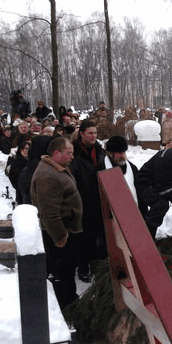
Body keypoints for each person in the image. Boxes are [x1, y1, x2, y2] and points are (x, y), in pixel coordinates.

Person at [30, 136, 83, 310]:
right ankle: (66, 307)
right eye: (69, 153)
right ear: (56, 153)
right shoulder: (48, 176)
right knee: (62, 273)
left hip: (66, 232)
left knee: (67, 271)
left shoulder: (56, 168)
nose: (72, 157)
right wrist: (60, 237)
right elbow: (49, 211)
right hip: (59, 236)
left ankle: (70, 300)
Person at [72, 119, 107, 282]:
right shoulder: (74, 152)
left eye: (95, 133)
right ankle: (83, 266)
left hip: (98, 197)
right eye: (90, 133)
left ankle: (96, 264)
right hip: (81, 197)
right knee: (83, 236)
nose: (94, 136)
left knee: (98, 234)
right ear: (81, 134)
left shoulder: (100, 151)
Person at [104, 135, 140, 207]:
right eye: (120, 153)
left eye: (124, 152)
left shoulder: (132, 169)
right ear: (111, 153)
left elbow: (140, 195)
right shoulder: (101, 169)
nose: (123, 155)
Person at [7, 139, 31, 205]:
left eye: (27, 149)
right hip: (20, 191)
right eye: (23, 149)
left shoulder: (33, 162)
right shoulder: (16, 162)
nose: (25, 151)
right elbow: (12, 177)